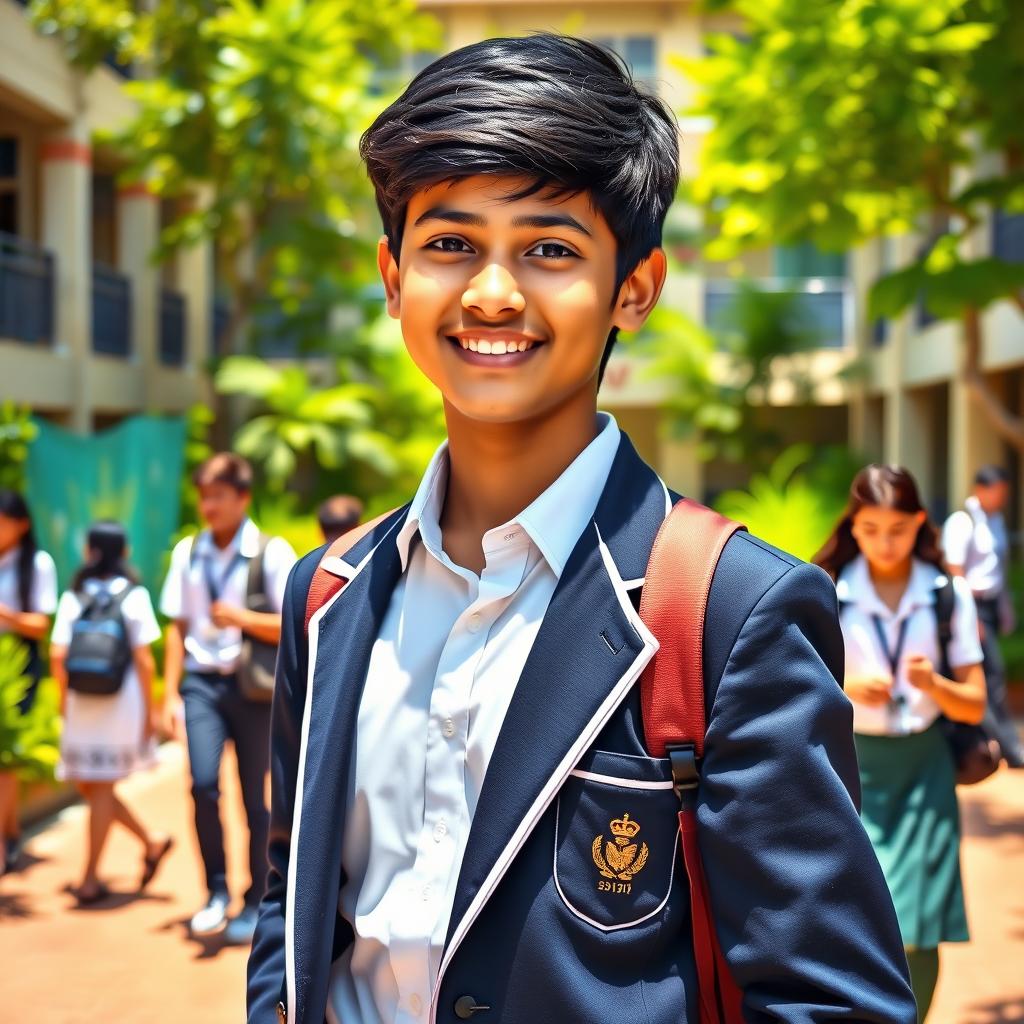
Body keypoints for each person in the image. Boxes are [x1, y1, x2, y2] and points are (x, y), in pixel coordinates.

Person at [247, 35, 916, 1024]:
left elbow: (832, 1001)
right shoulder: (327, 595)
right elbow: (292, 902)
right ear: (394, 277)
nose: (491, 292)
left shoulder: (728, 612)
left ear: (633, 288)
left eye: (549, 247)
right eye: (450, 243)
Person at [814, 465, 986, 1021]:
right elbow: (791, 688)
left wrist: (935, 684)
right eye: (870, 529)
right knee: (859, 910)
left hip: (925, 766)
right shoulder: (827, 591)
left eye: (897, 529)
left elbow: (976, 703)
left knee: (922, 917)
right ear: (853, 527)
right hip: (854, 768)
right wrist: (844, 687)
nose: (884, 543)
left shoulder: (945, 594)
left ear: (918, 524)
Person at [160, 453, 297, 944]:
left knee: (254, 800)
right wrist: (169, 695)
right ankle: (215, 890)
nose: (208, 505)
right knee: (201, 784)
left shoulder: (272, 552)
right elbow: (176, 627)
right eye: (204, 495)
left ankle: (254, 897)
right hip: (202, 685)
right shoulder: (188, 552)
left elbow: (292, 625)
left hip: (253, 689)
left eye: (218, 495)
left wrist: (240, 618)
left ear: (242, 497)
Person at [49, 521, 173, 905]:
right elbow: (143, 659)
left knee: (96, 785)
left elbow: (57, 654)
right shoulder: (132, 595)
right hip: (121, 701)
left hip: (81, 701)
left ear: (90, 551)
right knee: (94, 784)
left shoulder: (75, 595)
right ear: (123, 551)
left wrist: (63, 700)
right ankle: (151, 841)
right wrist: (149, 710)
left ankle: (89, 877)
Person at [942, 465, 1024, 767]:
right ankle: (1010, 748)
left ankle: (1003, 743)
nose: (1001, 499)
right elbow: (955, 569)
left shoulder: (997, 521)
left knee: (992, 675)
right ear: (981, 489)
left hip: (990, 605)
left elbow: (997, 570)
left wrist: (1005, 609)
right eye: (997, 492)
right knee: (992, 676)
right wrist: (969, 617)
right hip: (971, 606)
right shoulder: (962, 522)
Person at [0, 489, 58, 878]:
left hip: (18, 666)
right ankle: (11, 832)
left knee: (6, 758)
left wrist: (6, 615)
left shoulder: (37, 564)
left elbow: (41, 624)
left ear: (20, 524)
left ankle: (5, 841)